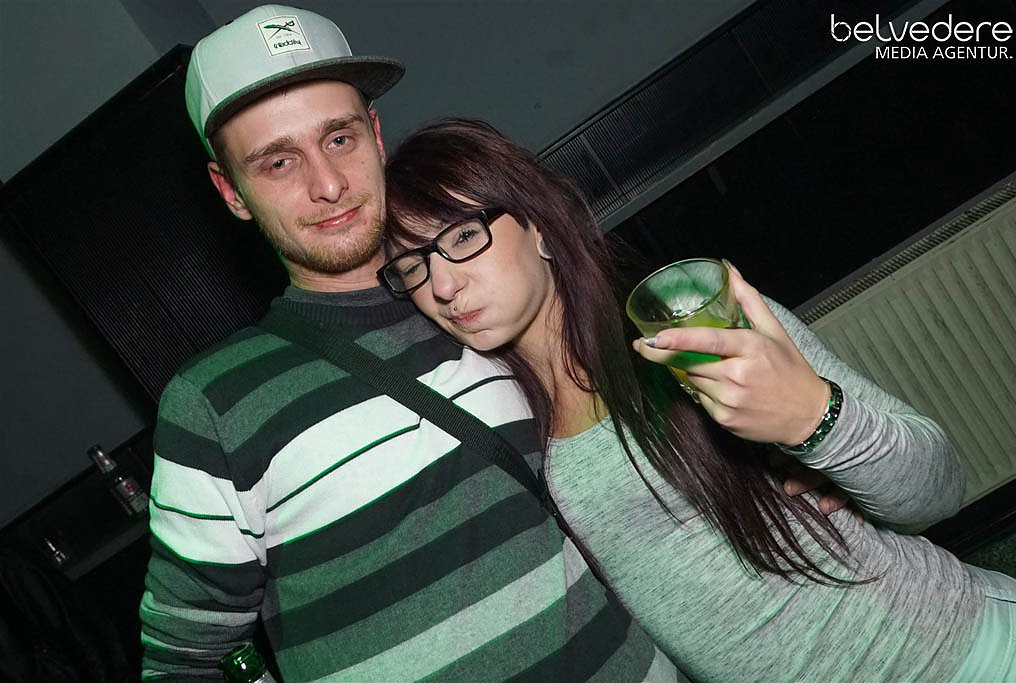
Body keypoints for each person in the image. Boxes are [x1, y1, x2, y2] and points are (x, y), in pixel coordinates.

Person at [138, 6, 686, 681]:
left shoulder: (481, 299)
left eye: (339, 138)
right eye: (279, 161)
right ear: (232, 192)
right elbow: (182, 664)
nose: (328, 185)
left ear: (375, 134)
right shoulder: (212, 403)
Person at [380, 117, 1016, 682]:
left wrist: (817, 421)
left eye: (461, 238)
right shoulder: (499, 424)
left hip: (963, 653)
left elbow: (938, 490)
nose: (442, 286)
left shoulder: (686, 324)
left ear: (541, 227)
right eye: (412, 266)